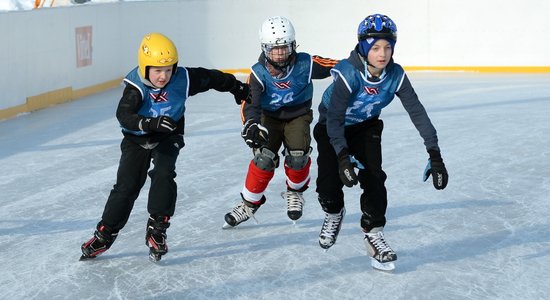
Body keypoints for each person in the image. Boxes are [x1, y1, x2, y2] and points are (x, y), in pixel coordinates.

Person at [80, 32, 250, 261]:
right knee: (126, 187)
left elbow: (211, 78)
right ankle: (105, 234)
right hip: (136, 138)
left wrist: (235, 87)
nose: (163, 76)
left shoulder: (183, 78)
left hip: (168, 136)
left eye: (169, 70)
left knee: (164, 173)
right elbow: (124, 115)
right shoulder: (136, 87)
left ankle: (157, 229)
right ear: (145, 67)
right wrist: (149, 123)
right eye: (158, 70)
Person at [314, 14, 448, 270]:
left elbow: (417, 111)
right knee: (329, 185)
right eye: (376, 47)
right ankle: (333, 212)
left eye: (388, 46)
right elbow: (334, 118)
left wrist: (435, 154)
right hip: (332, 127)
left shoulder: (395, 75)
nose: (382, 53)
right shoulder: (348, 73)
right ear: (364, 46)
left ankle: (373, 233)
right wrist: (342, 155)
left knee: (375, 178)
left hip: (366, 128)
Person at [223, 16, 338, 228]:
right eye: (273, 49)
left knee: (298, 157)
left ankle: (295, 192)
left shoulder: (305, 63)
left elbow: (336, 67)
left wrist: (356, 68)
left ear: (293, 45)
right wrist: (251, 124)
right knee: (263, 159)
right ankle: (249, 204)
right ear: (265, 49)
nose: (279, 53)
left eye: (284, 47)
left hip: (298, 115)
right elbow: (250, 103)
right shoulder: (258, 73)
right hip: (270, 117)